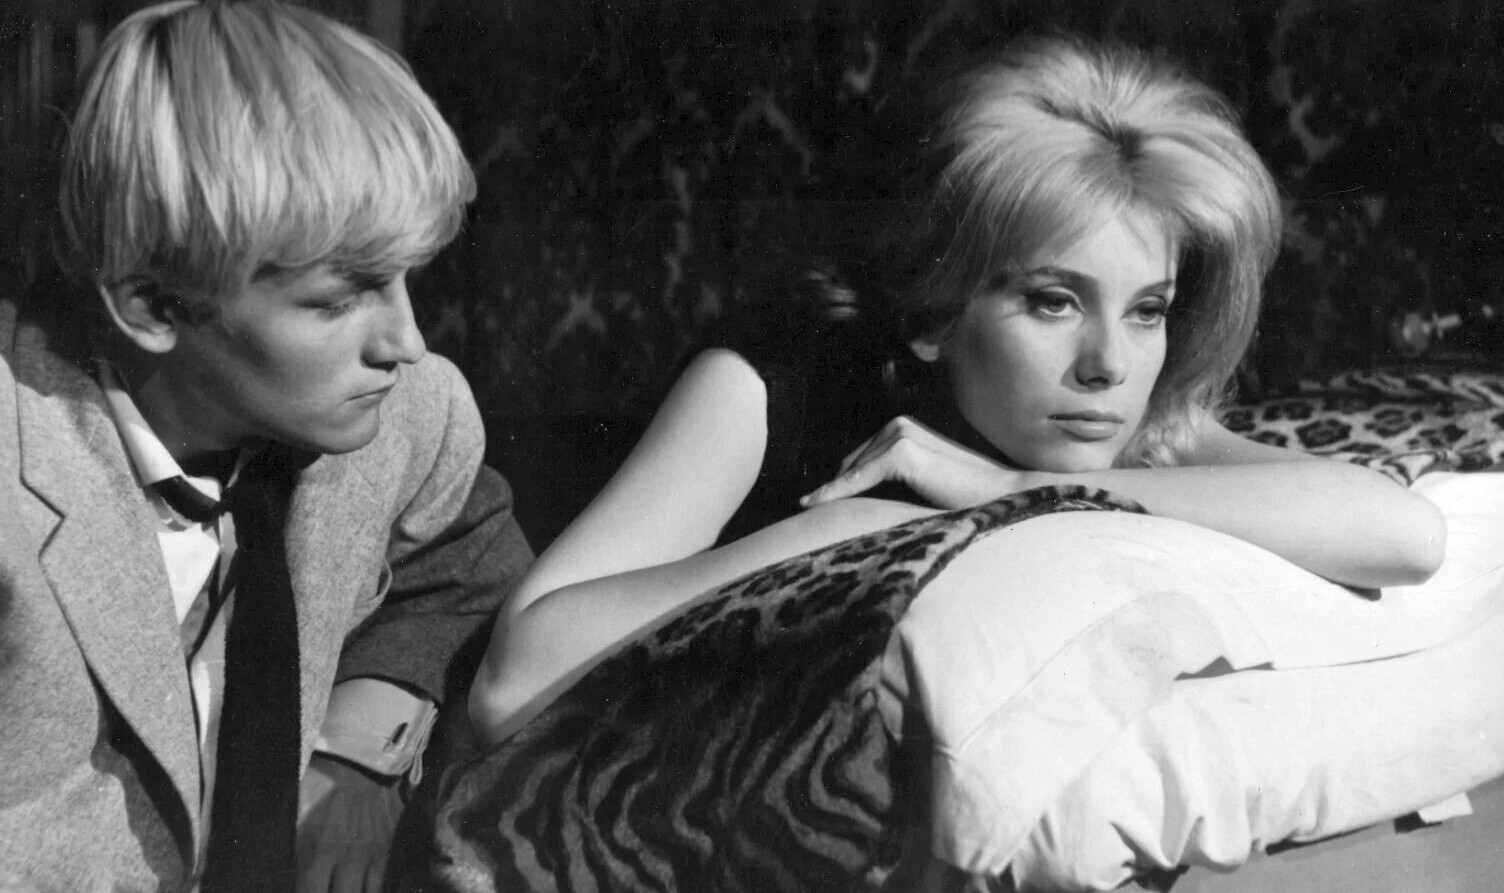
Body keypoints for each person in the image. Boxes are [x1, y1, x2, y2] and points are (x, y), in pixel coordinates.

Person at [468, 35, 1445, 745]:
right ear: (935, 308)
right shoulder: (765, 383)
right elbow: (511, 680)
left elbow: (1403, 535)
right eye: (1054, 301)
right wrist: (849, 529)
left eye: (1147, 308)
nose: (1108, 360)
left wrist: (1010, 493)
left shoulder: (1109, 413)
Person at [0, 1, 532, 891]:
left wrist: (358, 746)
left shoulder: (400, 416)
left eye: (405, 279)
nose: (405, 341)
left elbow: (468, 561)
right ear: (153, 304)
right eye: (339, 300)